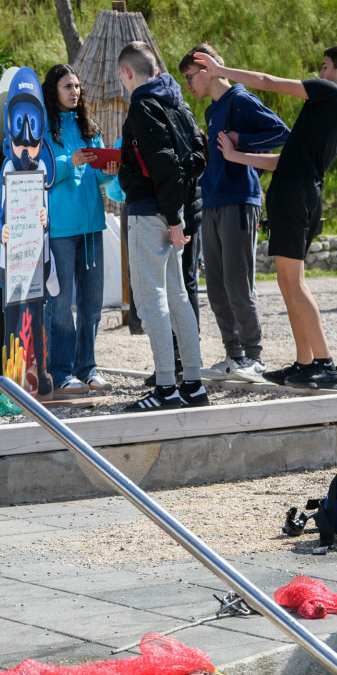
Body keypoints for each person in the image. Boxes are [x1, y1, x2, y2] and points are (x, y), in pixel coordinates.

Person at [190, 44, 337, 389]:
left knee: (294, 283)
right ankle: (305, 362)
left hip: (295, 195)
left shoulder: (332, 94)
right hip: (297, 190)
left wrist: (221, 71)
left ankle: (325, 363)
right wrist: (237, 156)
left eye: (325, 67)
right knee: (287, 282)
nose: (319, 73)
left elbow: (267, 81)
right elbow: (284, 160)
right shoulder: (333, 112)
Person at [181, 45, 288, 382]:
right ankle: (234, 355)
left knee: (237, 284)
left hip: (240, 200)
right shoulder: (213, 110)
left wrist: (241, 141)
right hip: (211, 202)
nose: (187, 86)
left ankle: (254, 357)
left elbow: (282, 133)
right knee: (215, 286)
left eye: (189, 77)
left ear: (206, 69)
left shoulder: (240, 100)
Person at [115, 43, 209, 410]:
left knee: (150, 301)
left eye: (121, 77)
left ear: (127, 73)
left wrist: (171, 218)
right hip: (174, 210)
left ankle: (166, 388)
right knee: (177, 297)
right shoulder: (178, 103)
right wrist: (177, 211)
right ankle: (194, 385)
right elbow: (198, 154)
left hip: (150, 213)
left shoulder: (142, 105)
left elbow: (164, 163)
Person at [43, 65, 115, 394]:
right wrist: (67, 163)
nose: (75, 92)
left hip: (92, 227)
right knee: (60, 305)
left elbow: (96, 176)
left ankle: (87, 368)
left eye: (77, 86)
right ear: (53, 91)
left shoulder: (90, 127)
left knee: (91, 305)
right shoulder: (42, 130)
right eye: (67, 86)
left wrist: (109, 170)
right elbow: (38, 172)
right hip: (59, 229)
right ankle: (60, 372)